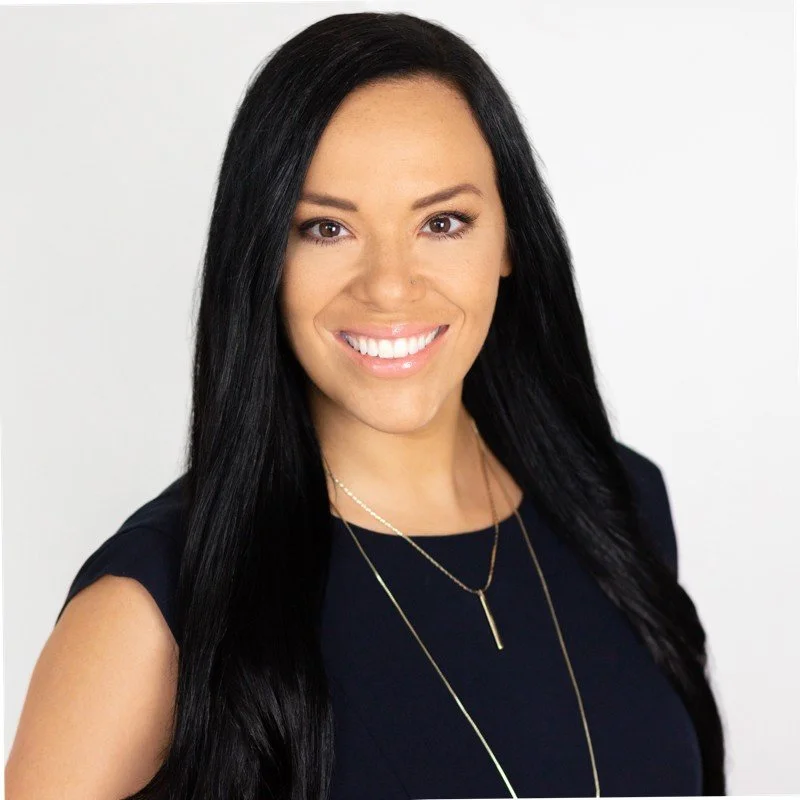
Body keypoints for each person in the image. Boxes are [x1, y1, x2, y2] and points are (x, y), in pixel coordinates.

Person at [5, 11, 726, 799]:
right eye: (326, 228)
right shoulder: (150, 609)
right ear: (262, 257)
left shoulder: (621, 506)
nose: (389, 285)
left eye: (442, 222)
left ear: (511, 239)